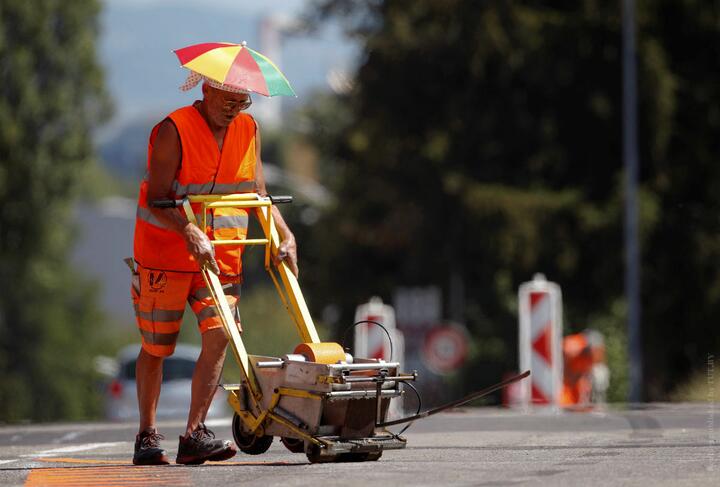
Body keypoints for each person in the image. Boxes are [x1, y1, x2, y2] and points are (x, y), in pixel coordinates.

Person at [130, 78, 298, 465]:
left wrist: (285, 234)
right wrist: (187, 230)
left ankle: (194, 433)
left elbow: (258, 194)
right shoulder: (174, 129)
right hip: (166, 255)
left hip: (220, 254)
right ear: (205, 91)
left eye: (242, 101)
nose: (234, 107)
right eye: (227, 99)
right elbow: (157, 198)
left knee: (222, 333)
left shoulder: (249, 128)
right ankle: (146, 435)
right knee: (158, 347)